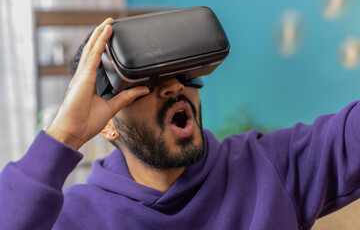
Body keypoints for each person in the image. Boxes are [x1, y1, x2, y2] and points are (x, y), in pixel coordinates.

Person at [1, 18, 360, 230]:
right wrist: (64, 133)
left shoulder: (269, 166)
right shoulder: (74, 218)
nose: (174, 86)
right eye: (143, 81)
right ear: (106, 123)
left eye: (182, 73)